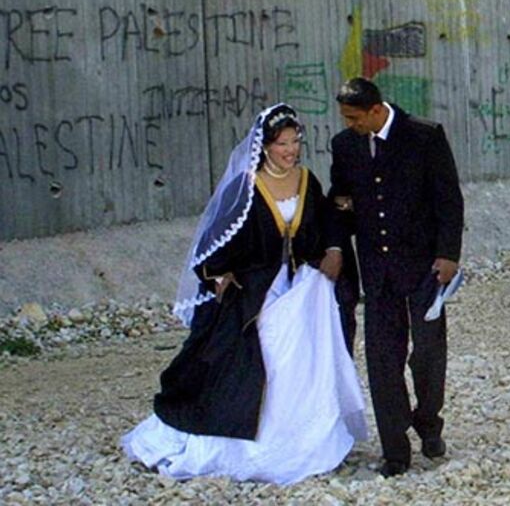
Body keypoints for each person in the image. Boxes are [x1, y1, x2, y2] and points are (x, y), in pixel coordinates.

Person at [121, 104, 367, 485]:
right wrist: (219, 275)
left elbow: (325, 223)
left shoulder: (307, 181)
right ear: (265, 146)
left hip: (300, 290)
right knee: (253, 359)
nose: (291, 150)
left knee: (304, 361)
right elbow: (214, 243)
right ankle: (248, 441)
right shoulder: (246, 188)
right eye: (282, 143)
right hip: (255, 294)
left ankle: (307, 440)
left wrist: (333, 249)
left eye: (295, 142)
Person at [321, 77, 463, 477]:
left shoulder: (424, 136)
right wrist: (336, 243)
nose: (349, 125)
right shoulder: (345, 145)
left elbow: (448, 200)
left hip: (424, 266)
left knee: (428, 352)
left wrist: (448, 254)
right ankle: (395, 450)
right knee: (383, 359)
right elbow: (340, 201)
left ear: (375, 109)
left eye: (354, 118)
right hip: (377, 270)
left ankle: (429, 422)